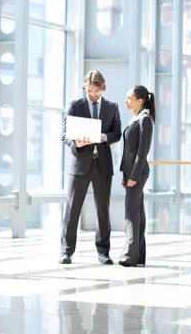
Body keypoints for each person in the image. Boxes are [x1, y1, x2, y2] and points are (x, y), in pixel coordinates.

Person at [60, 70, 121, 265]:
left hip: (102, 166)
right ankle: (66, 252)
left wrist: (105, 137)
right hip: (80, 165)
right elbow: (65, 136)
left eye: (96, 90)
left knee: (103, 210)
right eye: (90, 90)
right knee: (72, 210)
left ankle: (103, 252)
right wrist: (76, 143)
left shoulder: (112, 107)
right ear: (84, 86)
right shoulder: (74, 106)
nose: (93, 94)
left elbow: (117, 133)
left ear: (102, 87)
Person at [119, 86, 155, 267]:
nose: (126, 101)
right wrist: (125, 175)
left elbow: (142, 151)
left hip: (138, 173)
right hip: (131, 173)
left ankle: (129, 256)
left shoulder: (145, 119)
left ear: (140, 100)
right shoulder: (137, 118)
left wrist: (133, 175)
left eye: (129, 98)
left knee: (131, 214)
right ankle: (138, 256)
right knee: (137, 212)